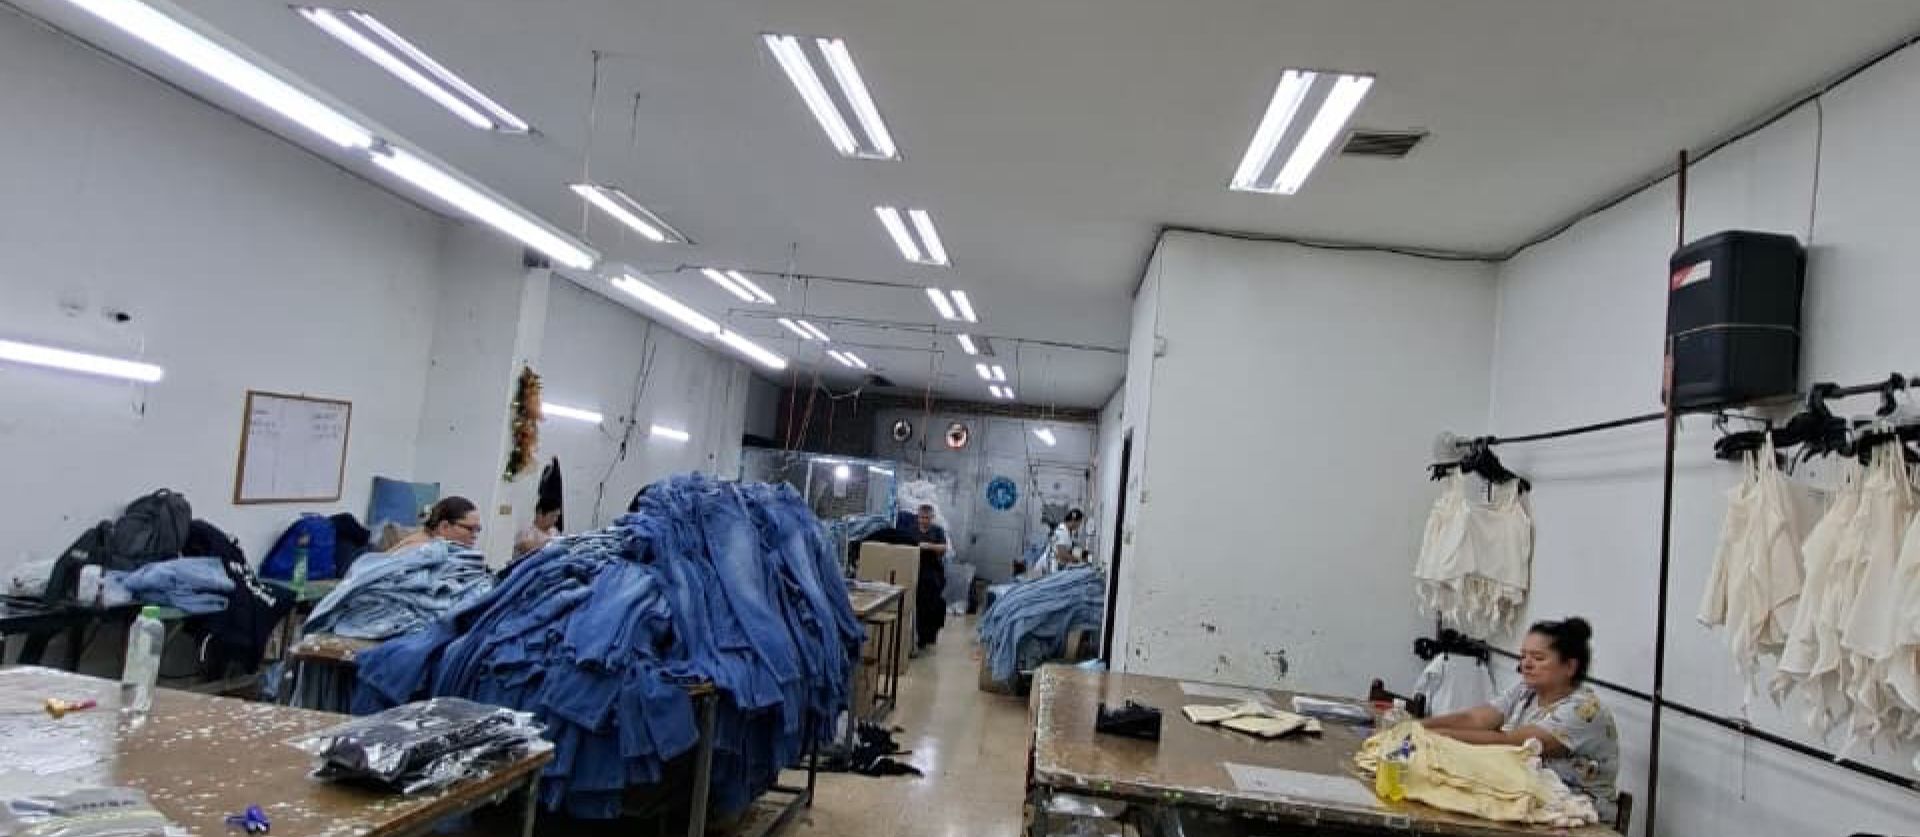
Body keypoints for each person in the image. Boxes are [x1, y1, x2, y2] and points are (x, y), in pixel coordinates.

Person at [1420, 618, 1620, 822]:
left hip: (1577, 815)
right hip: (1533, 798)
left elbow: (1511, 743)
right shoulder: (1525, 690)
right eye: (1523, 656)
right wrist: (1418, 726)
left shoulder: (1584, 711)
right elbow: (1475, 718)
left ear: (1569, 666)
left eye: (1538, 658)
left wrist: (1434, 735)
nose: (1526, 664)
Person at [907, 503, 948, 649]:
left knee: (930, 606)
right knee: (916, 605)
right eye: (922, 517)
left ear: (932, 518)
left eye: (927, 518)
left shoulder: (937, 531)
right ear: (918, 517)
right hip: (915, 570)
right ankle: (915, 636)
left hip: (932, 573)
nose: (924, 520)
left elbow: (944, 548)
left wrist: (928, 546)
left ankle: (927, 636)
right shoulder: (911, 530)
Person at [388, 496, 482, 552]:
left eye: (478, 529)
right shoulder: (419, 550)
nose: (474, 535)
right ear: (444, 527)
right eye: (470, 529)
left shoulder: (428, 544)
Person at [1036, 508, 1086, 577]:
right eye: (1079, 523)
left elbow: (1070, 549)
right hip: (1050, 566)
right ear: (1073, 521)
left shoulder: (1067, 531)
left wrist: (1085, 555)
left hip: (1054, 564)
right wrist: (1077, 560)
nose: (1079, 526)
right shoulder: (1062, 531)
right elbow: (1062, 554)